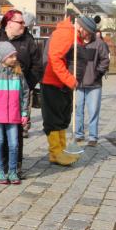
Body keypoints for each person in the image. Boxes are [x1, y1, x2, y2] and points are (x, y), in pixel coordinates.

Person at [0, 9, 43, 173]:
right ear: (9, 23)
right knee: (1, 133)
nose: (23, 25)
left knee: (17, 131)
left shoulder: (28, 41)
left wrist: (25, 86)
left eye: (23, 22)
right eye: (20, 22)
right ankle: (2, 165)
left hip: (19, 93)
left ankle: (15, 166)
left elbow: (38, 67)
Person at [41, 14, 96, 166]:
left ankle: (61, 150)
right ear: (82, 28)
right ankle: (56, 152)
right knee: (54, 119)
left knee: (63, 118)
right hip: (53, 83)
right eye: (88, 33)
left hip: (64, 85)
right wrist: (69, 79)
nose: (88, 37)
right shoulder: (65, 34)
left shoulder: (74, 36)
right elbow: (55, 58)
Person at [0, 41, 30, 184]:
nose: (14, 59)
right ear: (3, 57)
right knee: (1, 142)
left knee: (14, 144)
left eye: (15, 56)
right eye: (11, 56)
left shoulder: (18, 74)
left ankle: (13, 171)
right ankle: (1, 171)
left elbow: (25, 94)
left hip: (14, 116)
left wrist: (24, 113)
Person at [74, 14, 110, 146]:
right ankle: (78, 134)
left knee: (93, 110)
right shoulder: (76, 42)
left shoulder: (99, 44)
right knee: (78, 110)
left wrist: (98, 73)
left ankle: (93, 137)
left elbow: (105, 60)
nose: (79, 30)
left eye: (81, 28)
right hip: (78, 83)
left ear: (87, 30)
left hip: (94, 85)